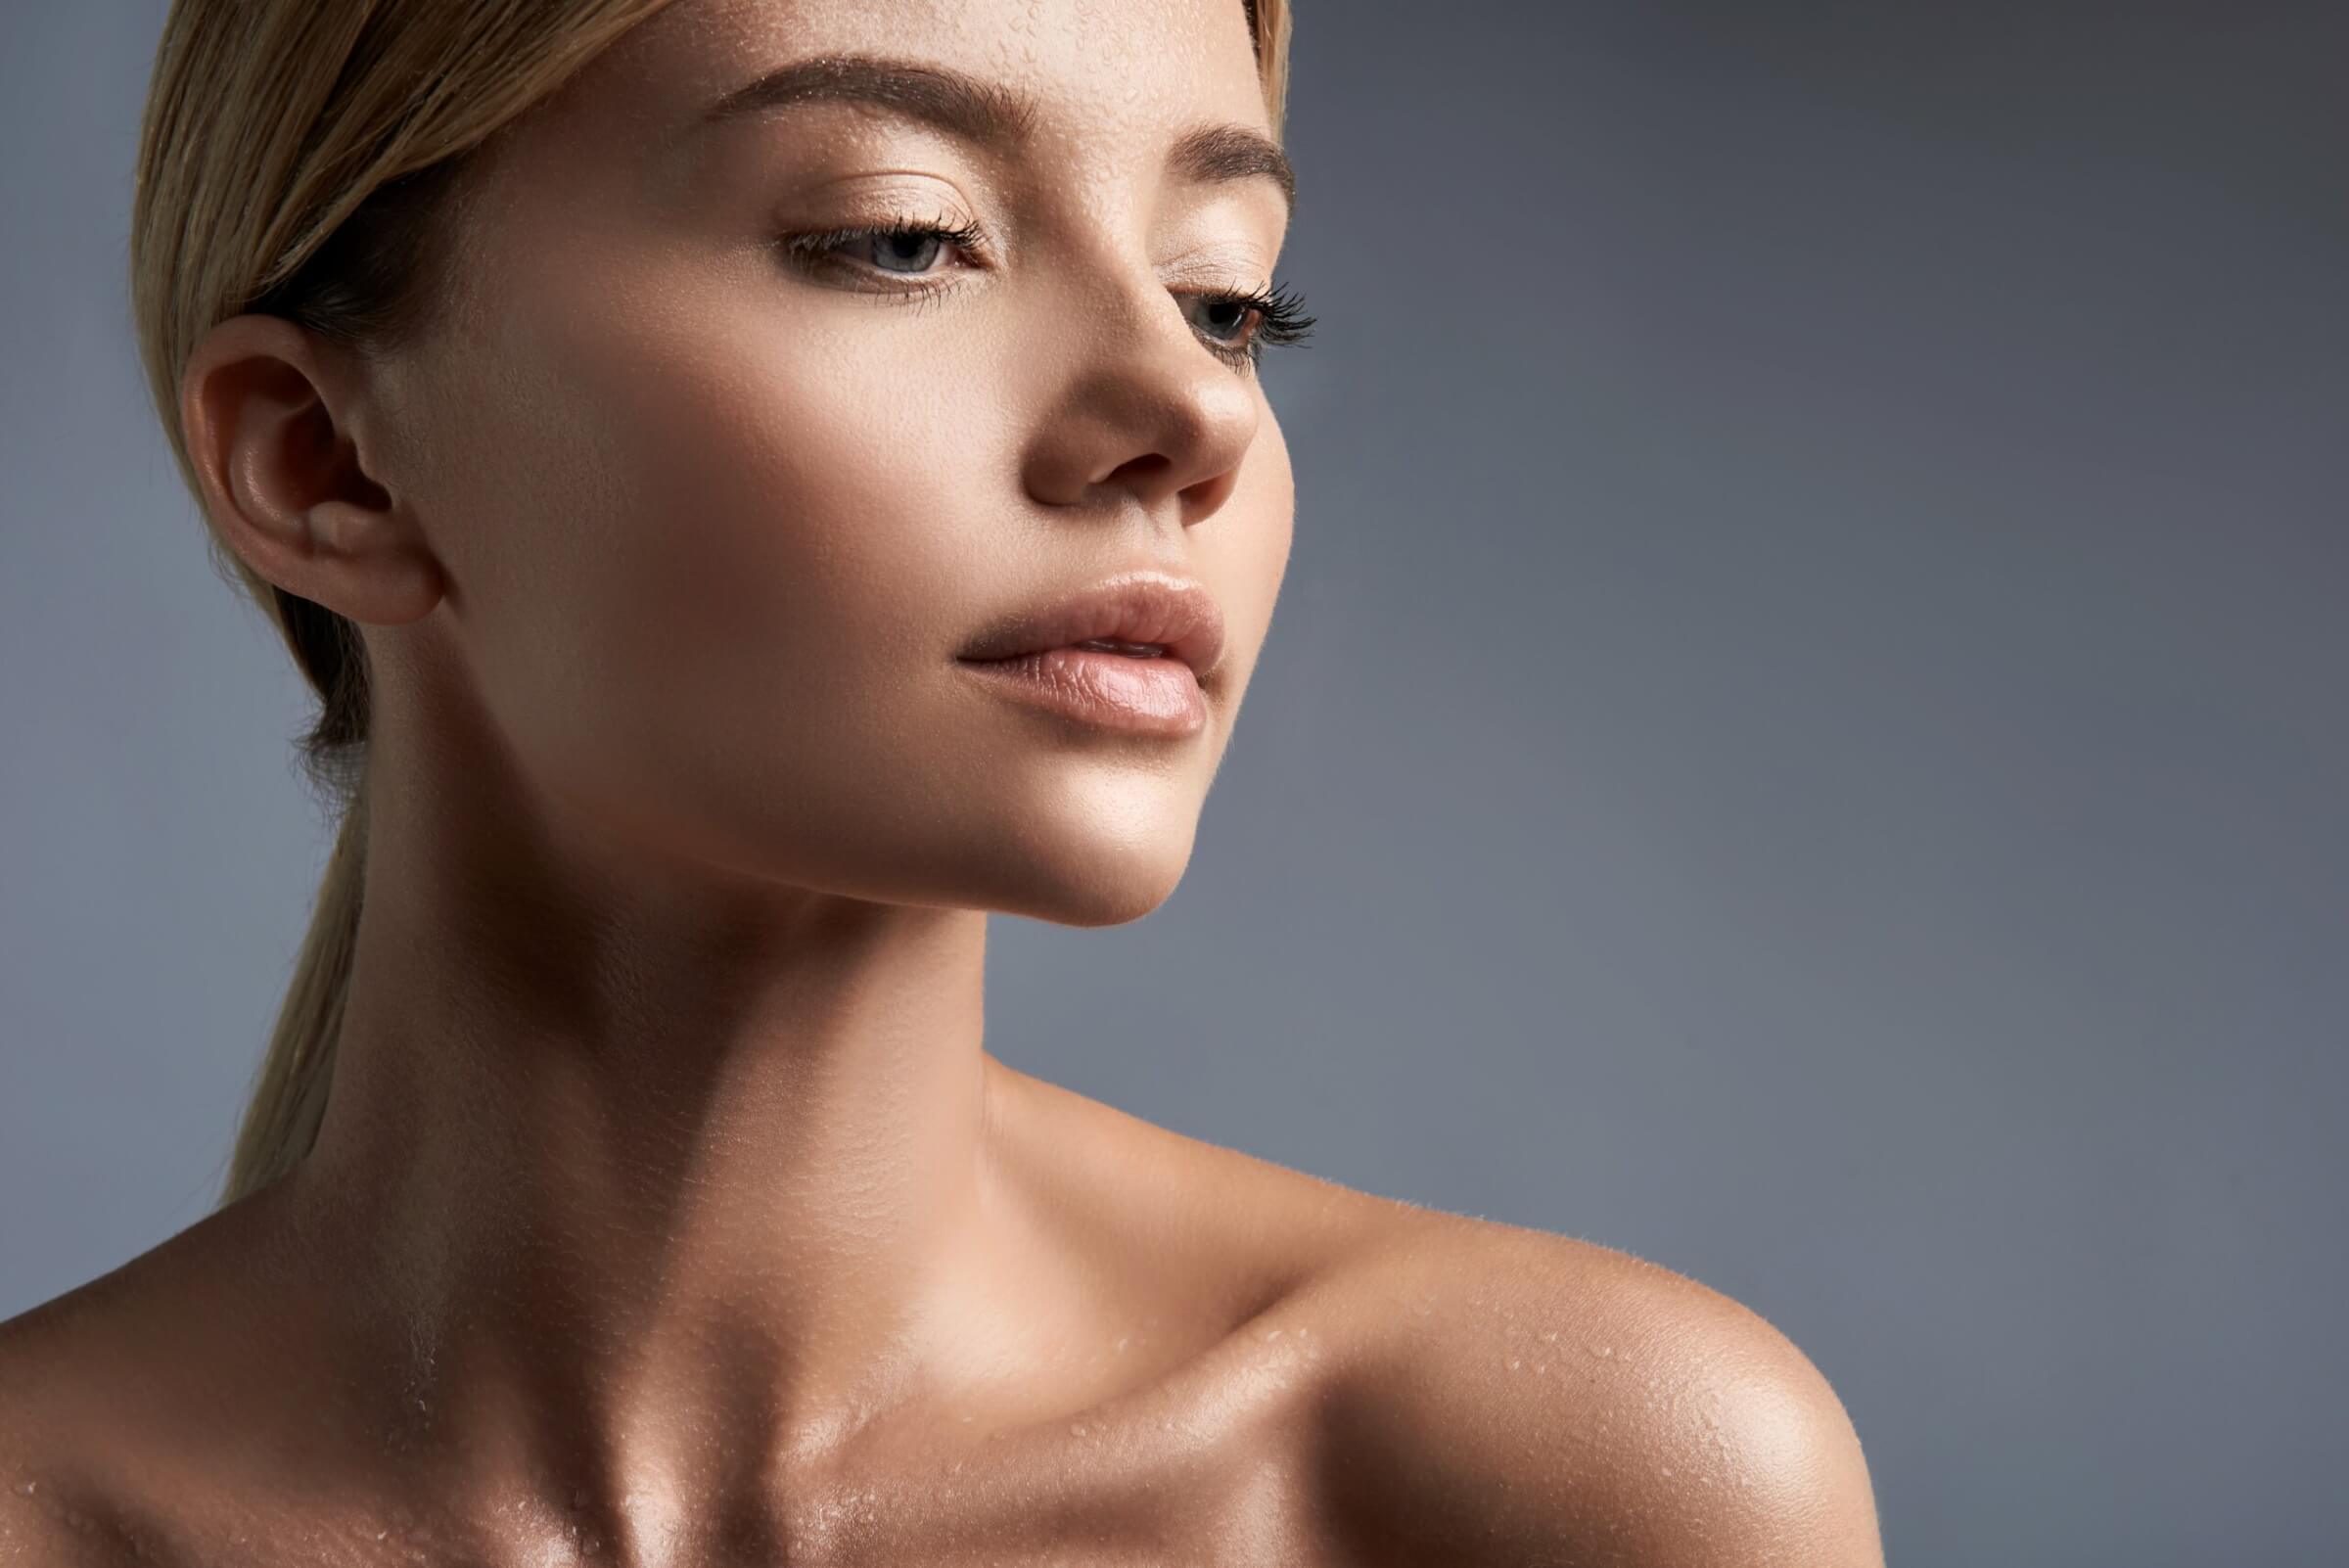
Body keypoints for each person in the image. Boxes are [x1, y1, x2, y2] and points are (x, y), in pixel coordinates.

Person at [0, 0, 1884, 1561]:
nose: (1198, 408)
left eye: (1228, 295)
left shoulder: (1579, 1487)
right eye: (901, 236)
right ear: (325, 459)